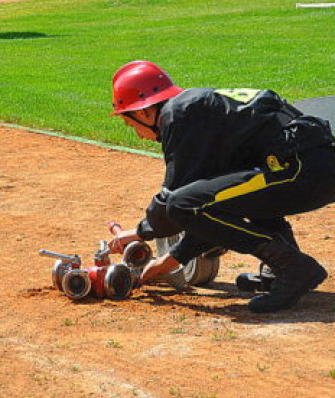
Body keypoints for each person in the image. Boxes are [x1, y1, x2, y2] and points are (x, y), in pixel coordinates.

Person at [107, 61, 335, 314]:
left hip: (299, 171)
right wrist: (170, 261)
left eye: (131, 125)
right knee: (233, 193)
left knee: (181, 203)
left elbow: (174, 203)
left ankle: (294, 268)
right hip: (310, 168)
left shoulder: (178, 115)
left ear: (143, 112)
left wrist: (140, 232)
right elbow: (212, 210)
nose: (137, 134)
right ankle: (280, 270)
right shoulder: (196, 107)